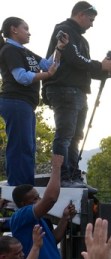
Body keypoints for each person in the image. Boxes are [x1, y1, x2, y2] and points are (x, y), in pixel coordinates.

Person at [44, 1, 111, 190]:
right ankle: (63, 177)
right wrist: (100, 66)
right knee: (65, 135)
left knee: (75, 136)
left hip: (77, 90)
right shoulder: (64, 29)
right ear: (81, 14)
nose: (92, 24)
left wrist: (105, 71)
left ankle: (73, 176)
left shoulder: (82, 39)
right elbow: (74, 59)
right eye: (91, 19)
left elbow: (84, 68)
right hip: (64, 89)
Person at [9, 159, 81, 259]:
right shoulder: (20, 217)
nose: (39, 200)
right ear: (23, 204)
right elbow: (50, 198)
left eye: (38, 197)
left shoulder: (38, 221)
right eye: (34, 199)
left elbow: (53, 239)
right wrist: (56, 168)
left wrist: (64, 219)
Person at [0, 17, 66, 186]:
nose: (29, 33)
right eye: (26, 28)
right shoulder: (9, 50)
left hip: (25, 104)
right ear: (14, 30)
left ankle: (26, 187)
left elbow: (48, 64)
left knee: (28, 147)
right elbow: (21, 77)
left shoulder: (25, 52)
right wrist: (47, 75)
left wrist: (59, 47)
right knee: (20, 146)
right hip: (15, 101)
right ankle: (17, 188)